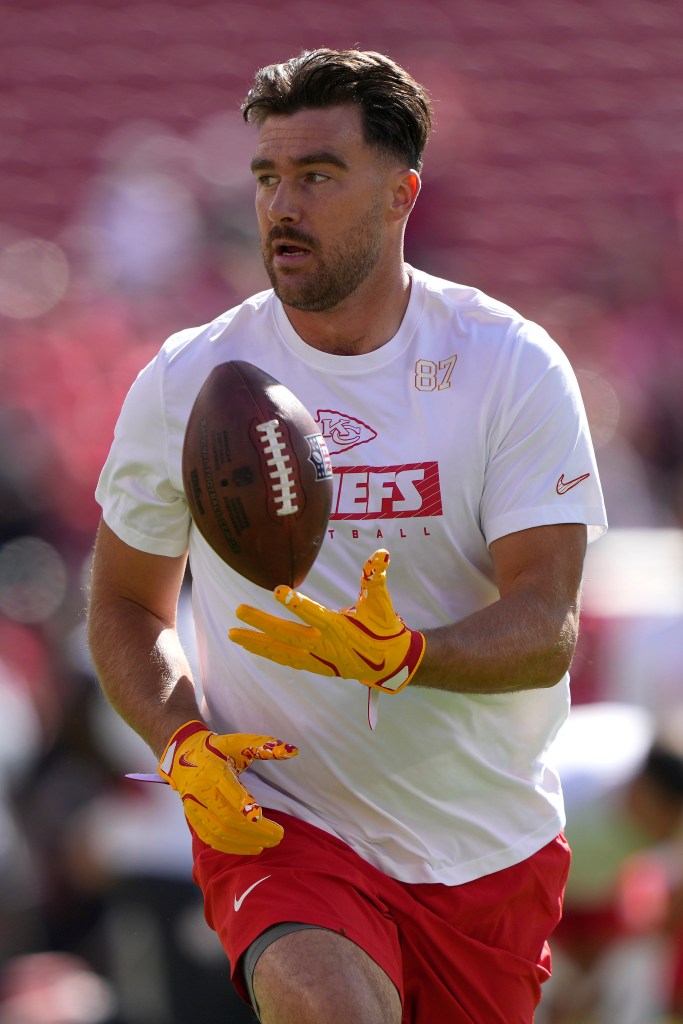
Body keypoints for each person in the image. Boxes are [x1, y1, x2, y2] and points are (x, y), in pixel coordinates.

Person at [87, 47, 608, 1024]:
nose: (282, 204)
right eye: (267, 177)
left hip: (484, 846)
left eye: (317, 176)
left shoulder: (508, 364)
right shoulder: (187, 378)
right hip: (286, 825)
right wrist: (178, 735)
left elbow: (546, 624)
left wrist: (407, 656)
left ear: (401, 194)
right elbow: (124, 598)